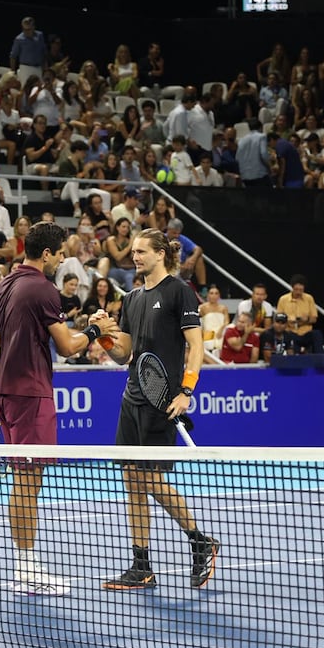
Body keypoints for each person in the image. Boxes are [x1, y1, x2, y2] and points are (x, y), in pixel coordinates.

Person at [0, 221, 117, 596]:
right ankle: (26, 569)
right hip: (31, 392)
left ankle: (25, 565)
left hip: (9, 394)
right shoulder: (44, 288)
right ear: (46, 254)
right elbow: (69, 348)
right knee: (28, 482)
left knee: (24, 481)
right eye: (60, 254)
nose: (61, 260)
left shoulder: (5, 284)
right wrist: (95, 328)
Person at [99, 227, 218, 590]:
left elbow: (195, 347)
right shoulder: (132, 299)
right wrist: (103, 334)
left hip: (162, 401)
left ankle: (200, 541)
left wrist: (186, 391)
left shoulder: (180, 292)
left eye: (141, 251)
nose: (135, 257)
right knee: (132, 481)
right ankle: (142, 566)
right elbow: (124, 354)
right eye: (133, 252)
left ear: (161, 254)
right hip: (131, 399)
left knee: (150, 479)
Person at [275, 274, 323, 355]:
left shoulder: (309, 298)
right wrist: (288, 321)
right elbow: (278, 320)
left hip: (306, 332)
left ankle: (320, 359)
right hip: (291, 331)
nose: (298, 292)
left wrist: (306, 320)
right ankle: (295, 362)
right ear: (292, 288)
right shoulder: (283, 299)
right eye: (296, 289)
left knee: (317, 334)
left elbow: (314, 318)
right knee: (290, 337)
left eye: (301, 290)